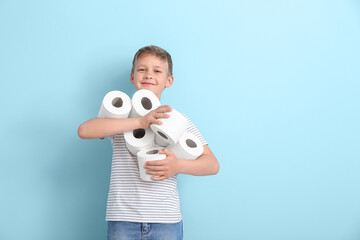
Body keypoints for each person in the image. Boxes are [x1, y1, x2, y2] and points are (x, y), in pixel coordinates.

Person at [78, 45, 220, 240]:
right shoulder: (120, 116)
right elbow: (84, 131)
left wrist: (177, 165)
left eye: (157, 70)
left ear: (168, 81)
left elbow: (212, 164)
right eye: (142, 69)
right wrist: (139, 122)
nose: (148, 75)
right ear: (132, 76)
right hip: (123, 218)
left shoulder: (177, 121)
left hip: (166, 219)